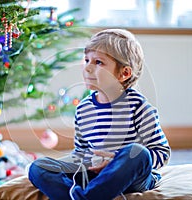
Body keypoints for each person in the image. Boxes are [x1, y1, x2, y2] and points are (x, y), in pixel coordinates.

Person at [28, 29, 171, 200]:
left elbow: (161, 151)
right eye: (87, 60)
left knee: (138, 152)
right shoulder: (83, 109)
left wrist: (117, 161)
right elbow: (81, 151)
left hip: (131, 179)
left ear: (124, 73)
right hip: (95, 178)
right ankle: (85, 196)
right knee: (38, 167)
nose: (87, 67)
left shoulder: (138, 106)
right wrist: (84, 164)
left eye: (98, 62)